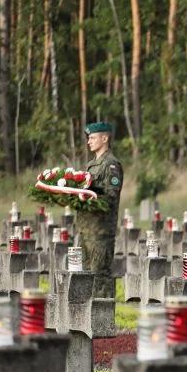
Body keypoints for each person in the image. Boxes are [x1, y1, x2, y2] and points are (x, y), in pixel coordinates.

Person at [77, 121, 124, 298]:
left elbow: (110, 197)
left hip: (101, 231)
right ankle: (87, 320)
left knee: (100, 276)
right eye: (88, 138)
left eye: (93, 138)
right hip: (85, 229)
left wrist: (89, 195)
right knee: (85, 275)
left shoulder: (111, 165)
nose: (89, 142)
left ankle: (102, 321)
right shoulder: (90, 165)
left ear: (104, 138)